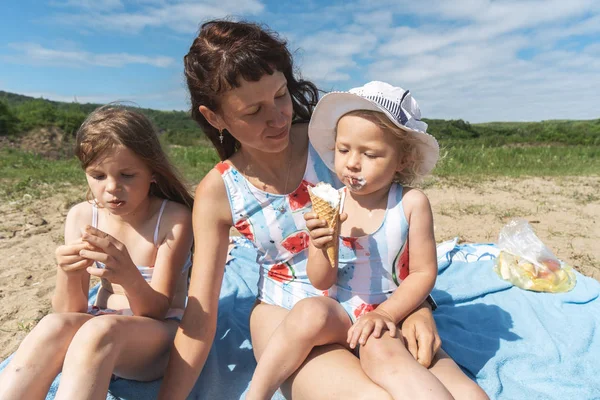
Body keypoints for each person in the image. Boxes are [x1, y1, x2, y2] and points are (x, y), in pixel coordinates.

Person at [159, 20, 444, 400]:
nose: (277, 117)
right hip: (286, 317)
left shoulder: (333, 146)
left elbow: (396, 230)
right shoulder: (220, 190)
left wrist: (419, 308)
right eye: (253, 110)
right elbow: (201, 314)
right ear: (215, 118)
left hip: (371, 308)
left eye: (280, 95)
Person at [246, 81, 489, 399]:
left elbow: (422, 272)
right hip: (340, 313)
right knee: (308, 312)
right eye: (343, 150)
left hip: (389, 310)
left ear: (402, 159)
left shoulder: (410, 203)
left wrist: (386, 314)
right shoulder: (332, 200)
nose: (352, 163)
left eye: (370, 154)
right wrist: (320, 245)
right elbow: (322, 280)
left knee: (441, 378)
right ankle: (257, 392)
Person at [0, 106, 194, 400]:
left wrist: (129, 276)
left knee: (98, 332)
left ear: (153, 172)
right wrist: (68, 272)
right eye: (98, 175)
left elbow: (158, 310)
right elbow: (70, 311)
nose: (112, 188)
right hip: (100, 323)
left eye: (127, 175)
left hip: (160, 337)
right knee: (52, 324)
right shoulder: (82, 216)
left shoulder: (172, 219)